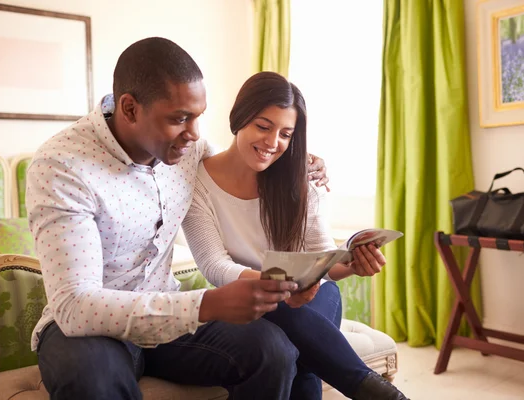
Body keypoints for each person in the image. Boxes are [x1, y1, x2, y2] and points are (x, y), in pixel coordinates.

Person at [26, 37, 331, 400]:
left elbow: (238, 165)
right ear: (130, 108)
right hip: (90, 328)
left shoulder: (187, 150)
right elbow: (76, 305)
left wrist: (297, 160)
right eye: (180, 118)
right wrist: (206, 304)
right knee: (95, 382)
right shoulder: (62, 166)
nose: (195, 134)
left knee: (273, 351)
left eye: (198, 116)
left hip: (167, 313)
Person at [182, 71, 410, 400]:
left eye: (286, 134)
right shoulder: (197, 182)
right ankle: (372, 389)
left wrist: (354, 265)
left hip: (315, 295)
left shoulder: (302, 179)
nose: (273, 143)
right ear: (239, 118)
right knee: (294, 348)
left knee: (293, 323)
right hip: (254, 300)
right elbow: (214, 265)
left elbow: (324, 260)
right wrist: (274, 287)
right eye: (263, 126)